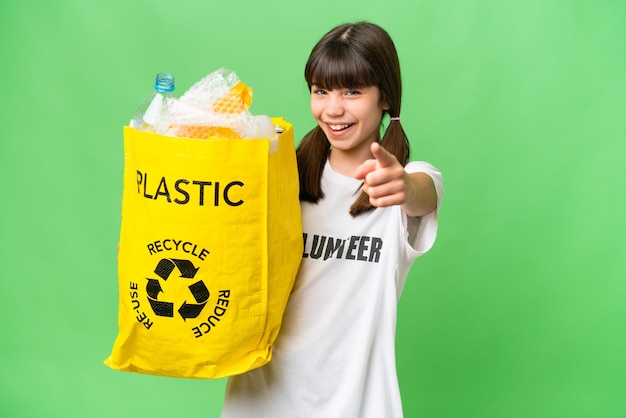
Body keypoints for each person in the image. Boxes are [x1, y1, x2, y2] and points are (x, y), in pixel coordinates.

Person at [221, 21, 444, 418]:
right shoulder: (279, 175)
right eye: (320, 91)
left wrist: (404, 187)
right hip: (261, 401)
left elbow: (422, 193)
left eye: (352, 91)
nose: (333, 108)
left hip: (359, 405)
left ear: (386, 98)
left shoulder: (403, 184)